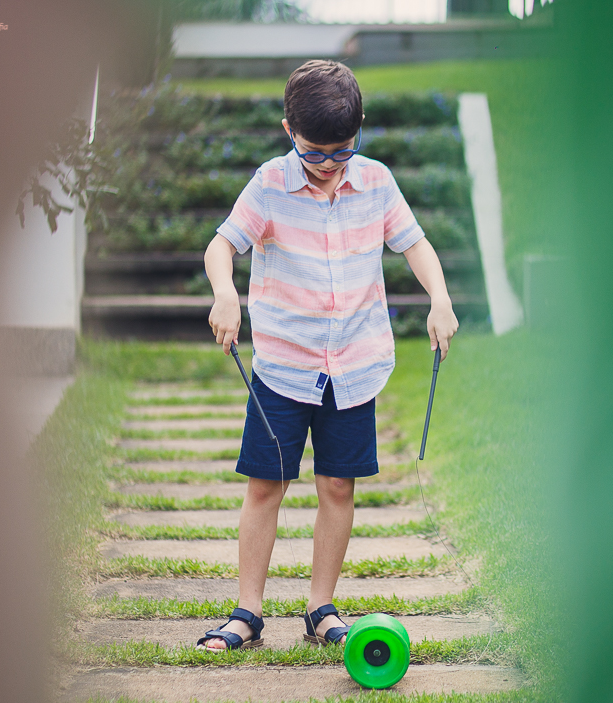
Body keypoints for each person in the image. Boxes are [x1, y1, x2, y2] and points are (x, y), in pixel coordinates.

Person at [196, 60, 459, 651]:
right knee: (267, 483)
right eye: (316, 153)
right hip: (284, 366)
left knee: (338, 486)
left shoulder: (376, 182)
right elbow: (221, 245)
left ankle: (321, 609)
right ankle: (247, 612)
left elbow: (415, 245)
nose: (329, 165)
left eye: (342, 151)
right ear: (289, 130)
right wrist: (224, 293)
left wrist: (439, 298)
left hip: (355, 364)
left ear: (358, 133)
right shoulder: (269, 185)